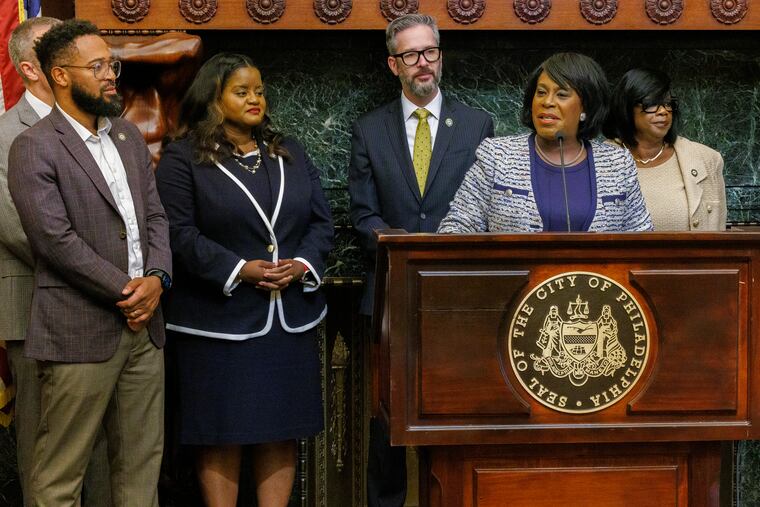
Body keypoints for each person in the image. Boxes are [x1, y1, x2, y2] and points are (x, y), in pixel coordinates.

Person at [155, 52, 333, 507]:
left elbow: (320, 222)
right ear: (213, 98)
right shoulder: (182, 158)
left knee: (282, 429)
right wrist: (238, 269)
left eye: (259, 90)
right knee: (221, 433)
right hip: (218, 323)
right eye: (242, 91)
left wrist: (302, 265)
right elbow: (177, 232)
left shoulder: (289, 150)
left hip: (287, 320)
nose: (255, 99)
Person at [7, 19, 171, 506]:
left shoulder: (125, 135)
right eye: (96, 66)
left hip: (146, 329)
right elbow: (54, 241)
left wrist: (158, 279)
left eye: (111, 64)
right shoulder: (33, 146)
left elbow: (156, 216)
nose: (109, 75)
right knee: (60, 474)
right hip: (81, 327)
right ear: (59, 75)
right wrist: (129, 291)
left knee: (140, 467)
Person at [347, 13, 493, 507]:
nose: (422, 63)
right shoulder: (369, 130)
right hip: (390, 297)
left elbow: (487, 209)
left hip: (461, 301)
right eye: (410, 55)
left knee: (458, 417)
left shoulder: (478, 125)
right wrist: (402, 250)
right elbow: (363, 213)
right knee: (387, 421)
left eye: (430, 52)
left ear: (440, 56)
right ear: (394, 65)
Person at [0, 16, 112, 507]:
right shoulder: (6, 134)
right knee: (44, 447)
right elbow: (22, 230)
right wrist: (109, 278)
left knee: (108, 447)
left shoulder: (107, 128)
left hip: (111, 308)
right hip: (35, 306)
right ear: (30, 68)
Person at [438, 52, 653, 233]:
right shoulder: (497, 156)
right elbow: (455, 228)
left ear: (586, 107)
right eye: (541, 92)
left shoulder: (618, 164)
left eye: (561, 94)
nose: (547, 102)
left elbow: (643, 240)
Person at [604, 68, 727, 231]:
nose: (663, 111)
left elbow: (719, 241)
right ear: (627, 107)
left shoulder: (706, 159)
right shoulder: (600, 160)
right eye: (651, 104)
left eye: (668, 104)